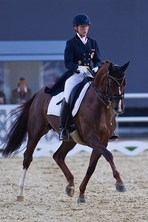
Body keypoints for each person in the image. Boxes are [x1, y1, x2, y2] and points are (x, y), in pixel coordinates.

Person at [59, 13, 102, 140]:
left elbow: (98, 60)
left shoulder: (93, 42)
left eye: (87, 27)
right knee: (67, 94)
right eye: (82, 27)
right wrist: (78, 68)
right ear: (75, 28)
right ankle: (63, 128)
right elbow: (68, 62)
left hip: (90, 74)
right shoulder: (71, 43)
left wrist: (96, 67)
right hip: (76, 75)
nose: (85, 29)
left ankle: (109, 126)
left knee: (104, 92)